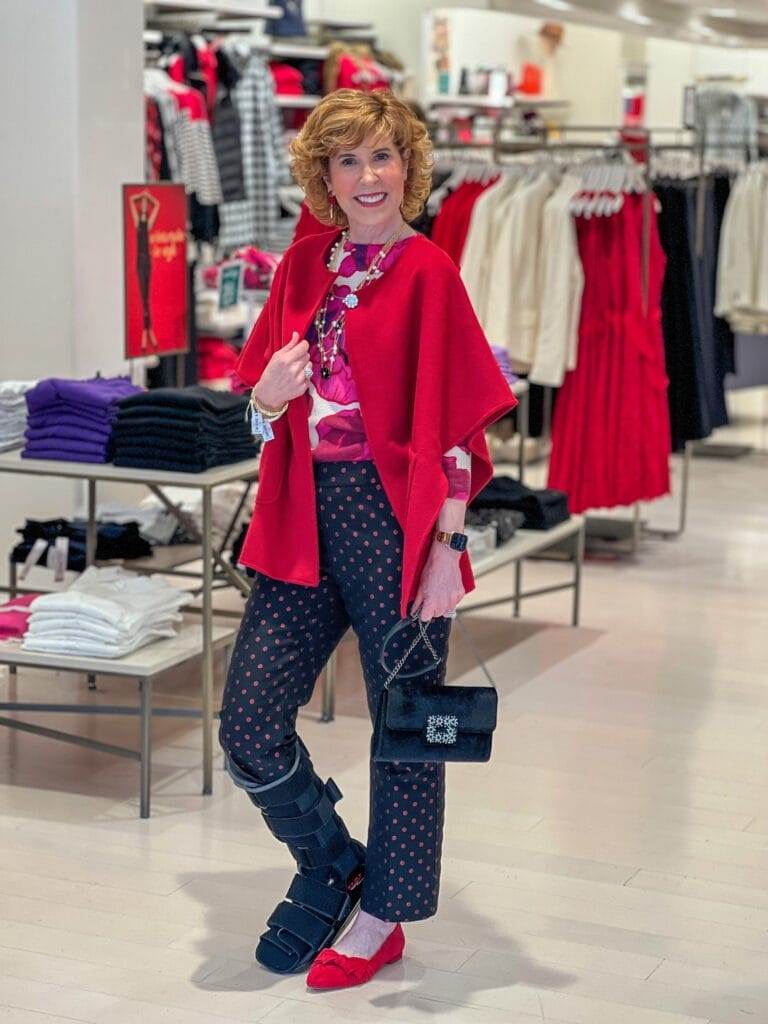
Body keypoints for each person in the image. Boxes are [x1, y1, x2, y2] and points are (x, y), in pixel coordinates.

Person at [217, 88, 517, 990]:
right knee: (249, 726)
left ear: (407, 167)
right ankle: (333, 859)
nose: (367, 176)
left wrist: (446, 550)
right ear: (324, 176)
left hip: (398, 526)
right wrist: (267, 395)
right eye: (346, 161)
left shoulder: (429, 272)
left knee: (403, 730)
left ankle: (384, 916)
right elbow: (260, 415)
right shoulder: (305, 264)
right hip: (303, 515)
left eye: (382, 157)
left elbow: (462, 430)